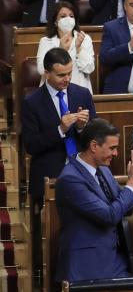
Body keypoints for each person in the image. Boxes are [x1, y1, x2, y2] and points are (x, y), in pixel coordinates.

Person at [55, 120, 133, 282]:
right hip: (87, 267)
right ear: (94, 146)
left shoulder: (104, 170)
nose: (116, 154)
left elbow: (124, 208)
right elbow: (109, 215)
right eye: (112, 148)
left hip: (115, 261)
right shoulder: (70, 179)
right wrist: (132, 182)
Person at [22, 47, 96, 204]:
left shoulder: (82, 94)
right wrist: (60, 129)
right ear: (47, 73)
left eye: (70, 73)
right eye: (61, 75)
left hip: (82, 171)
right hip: (49, 174)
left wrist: (82, 127)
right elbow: (31, 145)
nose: (67, 79)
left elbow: (96, 137)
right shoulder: (31, 102)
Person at [36, 2, 95, 91]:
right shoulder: (45, 41)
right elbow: (42, 70)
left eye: (71, 16)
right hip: (53, 91)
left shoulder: (84, 39)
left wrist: (79, 49)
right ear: (55, 22)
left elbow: (89, 69)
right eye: (63, 16)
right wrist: (61, 50)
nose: (68, 19)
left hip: (79, 90)